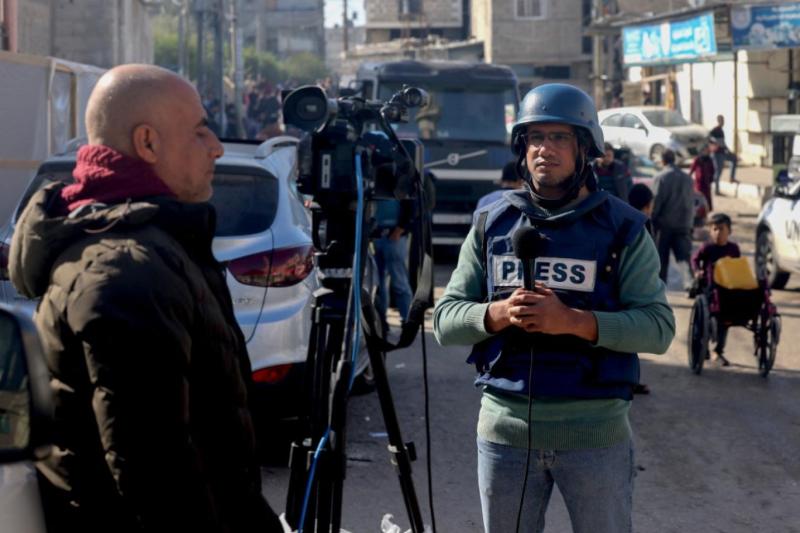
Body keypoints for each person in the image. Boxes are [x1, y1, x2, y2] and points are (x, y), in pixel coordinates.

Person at [8, 65, 283, 533]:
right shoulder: (126, 269)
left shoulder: (145, 248)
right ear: (148, 142)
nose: (216, 146)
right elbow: (157, 476)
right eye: (199, 131)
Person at [433, 83, 674, 533]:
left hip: (595, 435)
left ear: (587, 148)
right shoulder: (491, 222)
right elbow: (444, 321)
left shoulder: (623, 228)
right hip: (504, 437)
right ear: (522, 149)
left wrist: (576, 323)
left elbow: (658, 328)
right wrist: (498, 314)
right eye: (536, 137)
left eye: (560, 137)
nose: (546, 149)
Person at [691, 213, 741, 367]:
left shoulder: (733, 249)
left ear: (729, 231)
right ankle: (704, 349)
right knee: (704, 320)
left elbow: (738, 267)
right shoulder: (707, 248)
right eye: (715, 229)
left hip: (727, 290)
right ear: (710, 231)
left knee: (725, 322)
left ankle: (718, 351)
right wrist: (697, 271)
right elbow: (694, 259)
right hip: (709, 289)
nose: (718, 232)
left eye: (721, 229)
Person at [651, 149, 695, 285]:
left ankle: (660, 287)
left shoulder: (661, 177)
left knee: (661, 259)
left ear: (663, 160)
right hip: (684, 224)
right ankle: (690, 285)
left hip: (665, 225)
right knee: (683, 257)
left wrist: (652, 221)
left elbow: (655, 202)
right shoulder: (687, 177)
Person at [709, 114, 737, 192]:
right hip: (717, 153)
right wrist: (714, 144)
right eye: (721, 120)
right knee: (718, 171)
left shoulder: (721, 130)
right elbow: (708, 137)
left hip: (723, 152)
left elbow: (723, 143)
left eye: (723, 120)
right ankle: (716, 189)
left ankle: (731, 178)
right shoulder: (715, 130)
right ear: (718, 121)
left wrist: (729, 150)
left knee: (734, 159)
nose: (723, 122)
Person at [689, 144, 715, 212]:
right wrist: (688, 177)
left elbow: (712, 170)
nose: (706, 151)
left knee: (707, 197)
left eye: (707, 150)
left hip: (707, 181)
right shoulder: (697, 159)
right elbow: (692, 169)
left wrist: (711, 178)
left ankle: (708, 210)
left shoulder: (709, 159)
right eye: (705, 150)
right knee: (699, 196)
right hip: (699, 182)